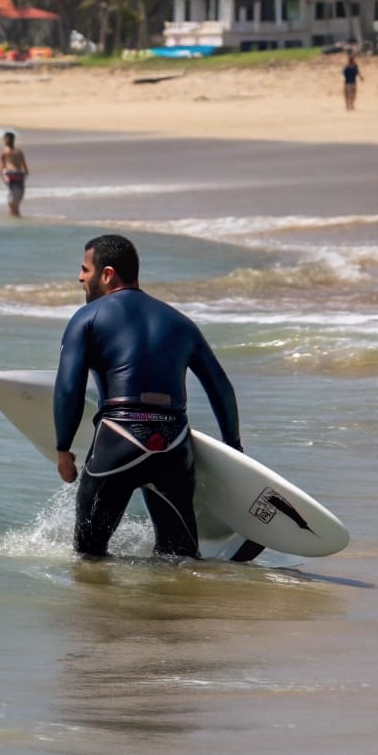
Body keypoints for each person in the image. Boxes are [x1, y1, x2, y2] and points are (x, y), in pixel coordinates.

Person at [54, 234, 241, 559]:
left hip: (119, 437)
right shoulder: (181, 323)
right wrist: (233, 447)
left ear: (107, 274)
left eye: (85, 269)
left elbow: (70, 388)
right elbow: (220, 385)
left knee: (89, 558)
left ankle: (97, 610)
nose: (80, 277)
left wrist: (63, 449)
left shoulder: (87, 318)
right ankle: (176, 607)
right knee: (179, 557)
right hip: (173, 443)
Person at [0, 131, 29, 217]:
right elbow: (26, 170)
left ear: (4, 140)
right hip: (19, 178)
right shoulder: (19, 152)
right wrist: (23, 179)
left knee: (12, 205)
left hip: (11, 177)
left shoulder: (4, 153)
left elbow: (0, 170)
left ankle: (14, 224)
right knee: (16, 206)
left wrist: (5, 180)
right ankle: (18, 224)